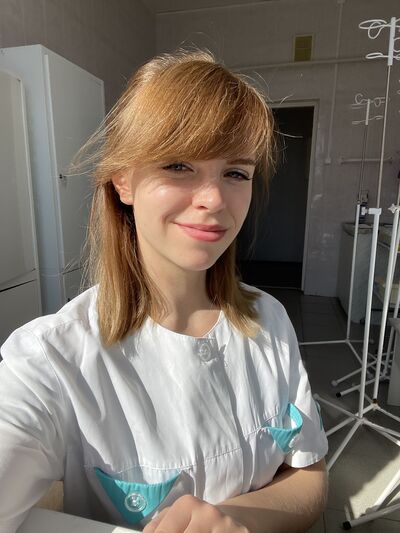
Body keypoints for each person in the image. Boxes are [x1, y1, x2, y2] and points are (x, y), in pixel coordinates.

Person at [0, 50, 328, 533]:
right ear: (123, 181)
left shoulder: (270, 318)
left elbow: (309, 473)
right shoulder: (49, 359)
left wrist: (232, 520)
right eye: (178, 165)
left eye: (236, 173)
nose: (213, 199)